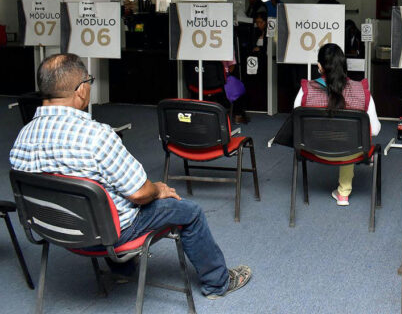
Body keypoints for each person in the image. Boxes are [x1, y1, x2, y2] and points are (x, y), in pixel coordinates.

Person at [10, 54, 251, 299]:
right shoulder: (96, 136)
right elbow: (139, 193)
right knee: (190, 212)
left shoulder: (22, 138)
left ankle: (122, 270)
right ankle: (217, 283)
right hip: (108, 235)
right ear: (81, 90)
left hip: (54, 231)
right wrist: (158, 189)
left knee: (104, 194)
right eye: (89, 82)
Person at [292, 43, 381, 206]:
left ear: (319, 66)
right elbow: (374, 130)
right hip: (352, 152)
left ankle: (343, 191)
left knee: (344, 140)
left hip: (313, 149)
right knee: (350, 141)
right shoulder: (361, 91)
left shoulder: (306, 90)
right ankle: (343, 194)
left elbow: (296, 124)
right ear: (344, 65)